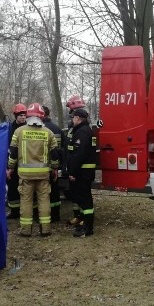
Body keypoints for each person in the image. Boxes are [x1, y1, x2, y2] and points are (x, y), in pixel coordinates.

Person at [7, 103, 60, 237]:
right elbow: (55, 155)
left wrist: (10, 168)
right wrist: (54, 169)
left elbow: (13, 153)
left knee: (26, 201)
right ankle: (45, 229)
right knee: (44, 200)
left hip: (25, 176)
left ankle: (26, 230)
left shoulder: (18, 132)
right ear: (42, 117)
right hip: (43, 174)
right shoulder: (49, 133)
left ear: (28, 116)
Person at [66, 107, 97, 237]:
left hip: (83, 172)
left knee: (85, 200)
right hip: (85, 171)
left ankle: (88, 228)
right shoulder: (86, 130)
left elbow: (79, 155)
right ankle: (86, 225)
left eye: (73, 117)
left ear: (78, 118)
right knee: (84, 199)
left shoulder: (82, 132)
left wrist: (72, 171)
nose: (72, 120)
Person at [63, 94, 86, 226]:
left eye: (72, 113)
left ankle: (82, 217)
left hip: (78, 167)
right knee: (74, 194)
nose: (71, 116)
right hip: (72, 163)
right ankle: (77, 216)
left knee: (80, 193)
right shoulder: (73, 125)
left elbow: (79, 150)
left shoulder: (81, 128)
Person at [42, 106, 64, 223]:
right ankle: (56, 215)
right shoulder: (57, 129)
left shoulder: (41, 129)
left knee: (42, 193)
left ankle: (41, 215)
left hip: (42, 167)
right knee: (55, 192)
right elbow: (62, 149)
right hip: (55, 166)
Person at [6, 103, 28, 219]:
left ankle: (27, 210)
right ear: (15, 116)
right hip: (13, 161)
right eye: (20, 115)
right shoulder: (9, 128)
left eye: (24, 115)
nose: (23, 117)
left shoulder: (29, 128)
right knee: (13, 186)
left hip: (26, 162)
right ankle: (14, 210)